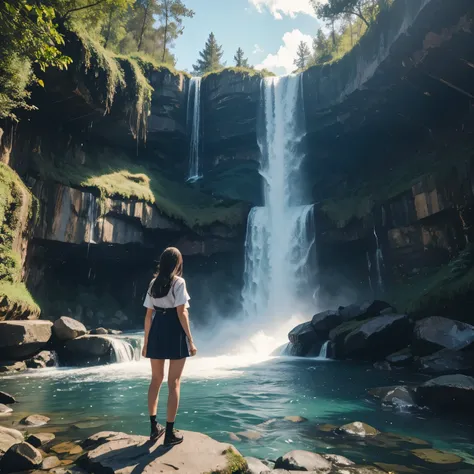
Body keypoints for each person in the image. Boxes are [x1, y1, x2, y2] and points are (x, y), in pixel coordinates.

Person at [142, 247, 197, 446]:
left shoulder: (153, 283)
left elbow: (148, 316)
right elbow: (182, 313)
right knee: (174, 383)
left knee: (155, 379)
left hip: (157, 329)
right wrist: (190, 340)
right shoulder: (179, 282)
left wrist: (146, 342)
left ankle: (153, 428)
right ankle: (170, 433)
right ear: (176, 263)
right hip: (174, 330)